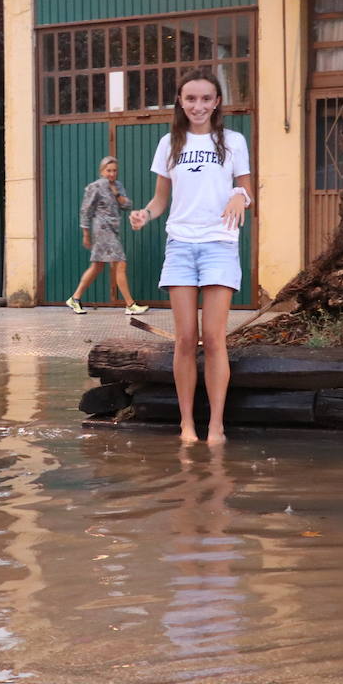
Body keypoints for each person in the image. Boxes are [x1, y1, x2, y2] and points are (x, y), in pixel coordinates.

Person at [129, 68, 253, 445]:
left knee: (214, 339)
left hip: (219, 244)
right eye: (190, 99)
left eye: (205, 98)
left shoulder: (232, 140)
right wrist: (144, 215)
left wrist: (239, 195)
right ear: (180, 103)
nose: (198, 105)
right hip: (180, 245)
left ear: (217, 102)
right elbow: (161, 199)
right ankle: (186, 425)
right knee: (185, 339)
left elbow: (246, 188)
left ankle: (216, 426)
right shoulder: (169, 143)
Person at [65, 156, 149, 316]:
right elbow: (85, 210)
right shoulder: (95, 187)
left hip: (113, 229)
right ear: (102, 171)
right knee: (121, 263)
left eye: (114, 171)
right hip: (102, 229)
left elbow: (127, 205)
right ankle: (130, 304)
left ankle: (75, 298)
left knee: (97, 266)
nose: (111, 174)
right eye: (108, 170)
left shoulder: (118, 186)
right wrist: (85, 233)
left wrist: (117, 194)